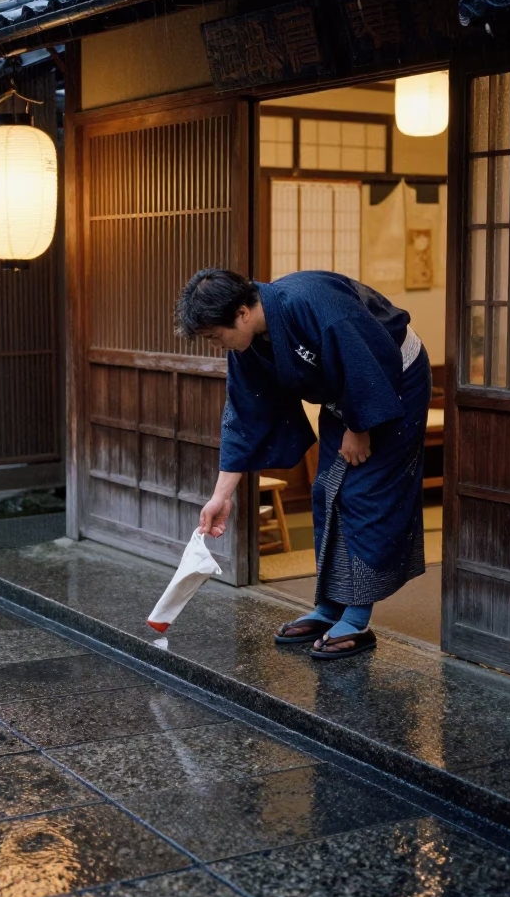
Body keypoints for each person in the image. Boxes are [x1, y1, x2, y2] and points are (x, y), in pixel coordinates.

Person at [176, 268, 431, 660]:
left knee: (365, 493)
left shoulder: (313, 303)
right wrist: (220, 496)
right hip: (347, 397)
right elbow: (244, 418)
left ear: (242, 313)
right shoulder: (248, 344)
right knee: (326, 489)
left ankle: (357, 618)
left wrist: (359, 426)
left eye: (215, 336)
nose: (216, 345)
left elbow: (369, 357)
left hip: (393, 382)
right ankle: (329, 607)